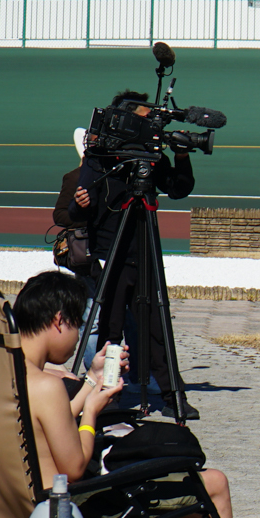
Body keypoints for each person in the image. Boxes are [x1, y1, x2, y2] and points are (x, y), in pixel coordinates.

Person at [12, 271, 234, 518]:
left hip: (17, 509)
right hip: (65, 514)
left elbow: (40, 423)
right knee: (215, 482)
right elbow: (74, 468)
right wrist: (92, 413)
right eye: (78, 326)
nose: (77, 337)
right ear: (59, 321)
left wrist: (93, 380)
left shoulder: (4, 375)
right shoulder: (47, 386)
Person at [73, 91, 196, 417]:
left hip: (143, 254)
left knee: (157, 328)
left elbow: (179, 188)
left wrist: (181, 157)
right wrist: (81, 203)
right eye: (143, 119)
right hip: (112, 254)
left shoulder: (150, 157)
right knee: (111, 331)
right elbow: (76, 208)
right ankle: (106, 394)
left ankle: (173, 397)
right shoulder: (101, 158)